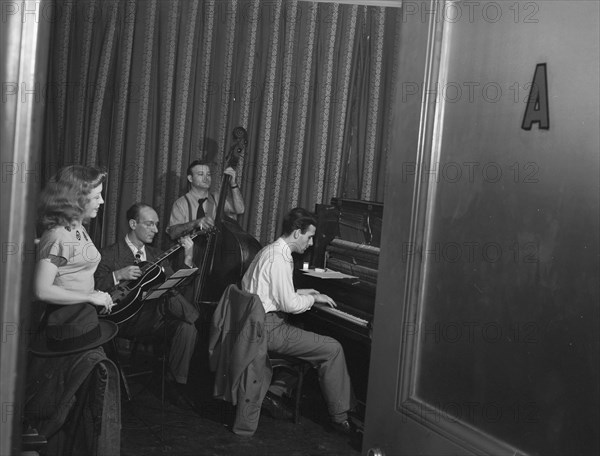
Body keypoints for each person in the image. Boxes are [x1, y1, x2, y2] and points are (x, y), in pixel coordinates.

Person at [29, 164, 121, 454]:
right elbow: (42, 289)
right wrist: (90, 297)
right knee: (66, 403)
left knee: (82, 403)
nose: (102, 202)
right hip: (67, 330)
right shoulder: (58, 235)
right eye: (96, 196)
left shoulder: (77, 227)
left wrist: (93, 293)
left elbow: (72, 272)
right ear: (76, 199)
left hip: (85, 324)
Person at [241, 207, 357, 435]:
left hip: (258, 323)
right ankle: (340, 418)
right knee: (333, 348)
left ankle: (274, 391)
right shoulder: (280, 259)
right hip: (268, 329)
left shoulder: (270, 251)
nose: (312, 243)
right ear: (297, 233)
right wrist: (313, 299)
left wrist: (305, 292)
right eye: (310, 236)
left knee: (307, 334)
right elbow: (290, 305)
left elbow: (272, 292)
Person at [94, 202, 199, 403]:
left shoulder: (156, 255)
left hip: (153, 317)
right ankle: (197, 317)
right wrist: (117, 275)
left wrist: (188, 255)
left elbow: (176, 284)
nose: (156, 230)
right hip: (122, 319)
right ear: (133, 224)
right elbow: (94, 285)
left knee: (187, 328)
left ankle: (175, 383)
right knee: (190, 318)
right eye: (150, 224)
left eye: (157, 224)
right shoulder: (108, 254)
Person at [167, 159, 244, 240]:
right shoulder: (180, 203)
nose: (206, 178)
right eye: (200, 174)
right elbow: (173, 234)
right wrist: (196, 223)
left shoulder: (218, 198)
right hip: (189, 251)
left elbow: (240, 209)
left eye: (208, 174)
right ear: (190, 178)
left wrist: (233, 184)